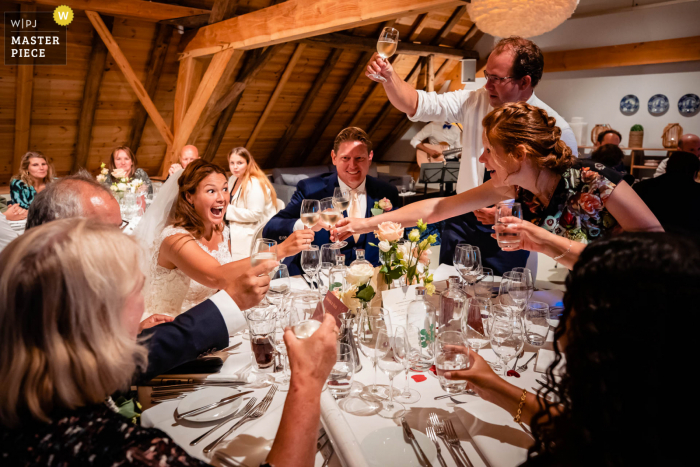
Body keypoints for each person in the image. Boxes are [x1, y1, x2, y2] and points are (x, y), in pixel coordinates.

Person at [0, 219, 339, 466]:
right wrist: (307, 381)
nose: (143, 304)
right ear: (97, 323)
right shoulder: (113, 450)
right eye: (136, 290)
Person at [440, 233, 693, 465]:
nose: (562, 325)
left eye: (576, 304)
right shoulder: (644, 423)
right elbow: (585, 430)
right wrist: (493, 385)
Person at [334, 103, 662, 270]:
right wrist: (364, 224)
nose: (481, 158)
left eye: (490, 150)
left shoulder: (597, 180)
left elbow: (657, 249)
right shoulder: (516, 186)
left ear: (519, 155)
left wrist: (543, 241)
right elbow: (438, 207)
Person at [24, 170, 275, 381]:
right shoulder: (40, 303)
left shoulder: (70, 287)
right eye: (107, 232)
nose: (122, 243)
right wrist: (231, 302)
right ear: (60, 236)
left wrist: (133, 332)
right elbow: (112, 366)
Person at [366, 36, 578, 275]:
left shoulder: (554, 130)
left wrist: (510, 211)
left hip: (512, 226)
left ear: (525, 81)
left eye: (497, 79)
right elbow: (416, 103)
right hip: (460, 217)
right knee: (451, 290)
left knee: (504, 299)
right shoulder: (475, 100)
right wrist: (389, 77)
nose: (487, 85)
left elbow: (561, 205)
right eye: (487, 76)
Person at [137, 159, 313, 318]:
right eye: (211, 191)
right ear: (189, 196)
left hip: (208, 316)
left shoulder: (220, 228)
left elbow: (227, 277)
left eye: (224, 189)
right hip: (171, 326)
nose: (221, 198)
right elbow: (217, 276)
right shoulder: (174, 239)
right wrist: (280, 250)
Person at [264, 127, 399, 275]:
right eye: (345, 158)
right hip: (318, 279)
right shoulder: (310, 189)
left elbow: (404, 233)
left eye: (359, 158)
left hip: (371, 280)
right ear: (334, 157)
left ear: (370, 156)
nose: (352, 165)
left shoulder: (387, 192)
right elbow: (271, 228)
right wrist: (307, 223)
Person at [226, 147, 278, 261]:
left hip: (252, 230)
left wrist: (226, 211)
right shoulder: (232, 179)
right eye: (232, 163)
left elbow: (255, 214)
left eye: (240, 163)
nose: (235, 167)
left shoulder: (254, 183)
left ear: (248, 163)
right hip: (235, 223)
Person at [633, 151, 700, 235]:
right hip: (690, 244)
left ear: (666, 168)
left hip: (649, 241)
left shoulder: (641, 187)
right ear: (695, 173)